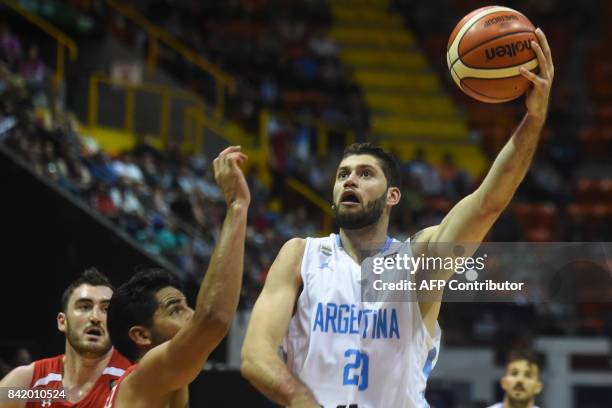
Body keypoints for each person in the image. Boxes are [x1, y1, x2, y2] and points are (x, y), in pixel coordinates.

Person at [240, 29, 554, 408]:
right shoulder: (300, 255)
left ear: (393, 197)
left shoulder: (419, 259)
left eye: (365, 173)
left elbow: (486, 204)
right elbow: (255, 356)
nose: (350, 180)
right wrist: (303, 402)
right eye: (343, 175)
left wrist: (533, 121)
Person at [103, 146, 250, 407]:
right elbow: (212, 318)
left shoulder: (170, 386)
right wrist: (237, 205)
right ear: (142, 336)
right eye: (175, 310)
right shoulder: (146, 372)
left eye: (186, 305)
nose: (192, 314)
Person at [0, 268, 131, 407]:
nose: (95, 317)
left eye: (106, 309)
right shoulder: (33, 385)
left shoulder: (131, 380)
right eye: (85, 307)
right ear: (63, 322)